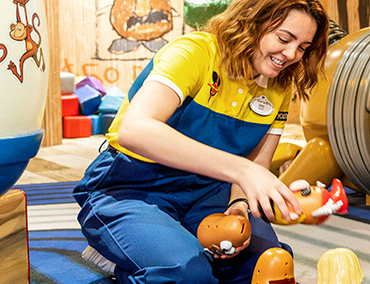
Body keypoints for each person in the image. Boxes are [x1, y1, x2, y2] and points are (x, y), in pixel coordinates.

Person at [72, 0, 329, 283]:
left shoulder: (280, 83)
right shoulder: (193, 52)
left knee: (268, 261)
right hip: (131, 187)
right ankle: (122, 258)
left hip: (208, 189)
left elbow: (257, 162)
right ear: (251, 22)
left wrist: (240, 205)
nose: (292, 54)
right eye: (284, 38)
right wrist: (243, 170)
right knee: (187, 273)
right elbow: (135, 130)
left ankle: (168, 246)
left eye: (304, 47)